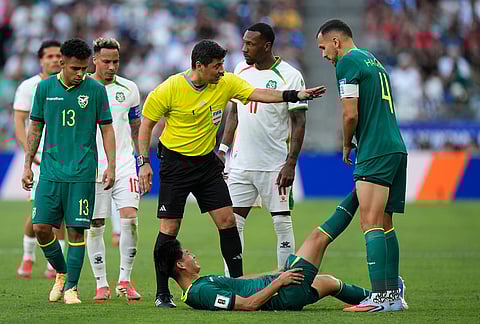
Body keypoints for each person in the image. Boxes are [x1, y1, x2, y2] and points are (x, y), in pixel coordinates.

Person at [138, 39, 326, 308]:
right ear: (199, 66)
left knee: (228, 221)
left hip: (206, 164)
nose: (222, 70)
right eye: (216, 66)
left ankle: (237, 284)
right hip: (176, 164)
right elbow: (147, 125)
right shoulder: (170, 88)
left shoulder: (225, 83)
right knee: (169, 229)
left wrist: (293, 95)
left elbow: (257, 94)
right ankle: (162, 293)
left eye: (223, 65)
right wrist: (143, 162)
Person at [316, 19, 408, 312]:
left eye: (323, 48)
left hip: (374, 149)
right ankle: (393, 294)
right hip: (395, 147)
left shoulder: (347, 63)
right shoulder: (373, 60)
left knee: (369, 222)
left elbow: (350, 115)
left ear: (336, 42)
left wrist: (346, 145)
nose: (323, 55)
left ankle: (380, 298)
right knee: (385, 222)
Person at [21, 38, 116, 304]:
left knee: (76, 232)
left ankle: (71, 288)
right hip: (50, 171)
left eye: (84, 68)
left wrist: (111, 164)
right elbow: (36, 127)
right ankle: (62, 273)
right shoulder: (44, 88)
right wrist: (28, 164)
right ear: (61, 62)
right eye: (75, 68)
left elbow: (106, 128)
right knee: (41, 227)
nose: (80, 74)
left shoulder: (95, 90)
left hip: (83, 171)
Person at [219, 23, 307, 273]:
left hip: (274, 165)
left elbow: (299, 122)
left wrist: (290, 163)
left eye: (250, 44)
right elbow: (234, 114)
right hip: (240, 164)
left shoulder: (290, 75)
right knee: (232, 225)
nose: (244, 48)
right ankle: (232, 280)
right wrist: (223, 150)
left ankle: (284, 281)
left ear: (266, 46)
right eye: (244, 42)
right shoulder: (240, 70)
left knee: (281, 224)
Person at [155, 225, 387, 311]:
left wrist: (274, 273)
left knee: (328, 282)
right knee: (318, 237)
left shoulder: (199, 285)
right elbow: (248, 305)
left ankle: (376, 299)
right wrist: (279, 282)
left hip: (279, 286)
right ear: (180, 265)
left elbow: (242, 283)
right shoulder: (201, 293)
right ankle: (359, 190)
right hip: (282, 294)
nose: (193, 255)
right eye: (187, 254)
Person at [86, 37, 141, 301]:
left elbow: (136, 127)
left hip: (125, 163)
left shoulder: (129, 88)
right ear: (94, 60)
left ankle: (125, 280)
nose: (111, 66)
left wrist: (143, 162)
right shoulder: (82, 88)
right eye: (106, 61)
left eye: (115, 61)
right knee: (95, 225)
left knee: (130, 219)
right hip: (92, 167)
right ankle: (100, 283)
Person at [14, 40, 67, 280]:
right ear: (41, 60)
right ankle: (28, 257)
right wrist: (30, 154)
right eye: (50, 56)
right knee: (39, 212)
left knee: (64, 213)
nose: (55, 59)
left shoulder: (69, 85)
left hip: (65, 158)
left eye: (59, 55)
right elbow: (19, 122)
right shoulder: (29, 86)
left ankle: (54, 266)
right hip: (39, 158)